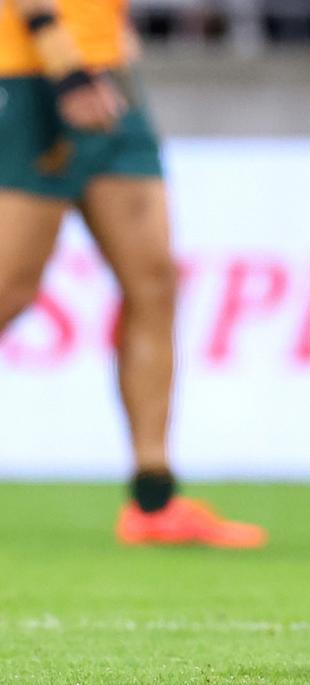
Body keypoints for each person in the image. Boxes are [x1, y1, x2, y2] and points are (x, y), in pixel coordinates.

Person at [0, 0, 265, 548]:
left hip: (106, 72)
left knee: (154, 282)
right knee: (9, 291)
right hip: (31, 76)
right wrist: (65, 63)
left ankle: (154, 501)